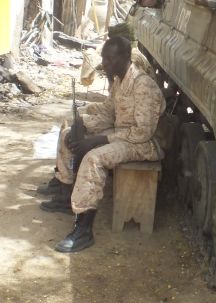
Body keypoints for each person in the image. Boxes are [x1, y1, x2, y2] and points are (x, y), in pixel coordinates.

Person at [39, 36, 165, 253]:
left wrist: (98, 140)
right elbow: (109, 113)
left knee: (93, 158)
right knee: (70, 133)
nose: (104, 64)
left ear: (125, 58)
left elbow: (142, 132)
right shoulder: (119, 80)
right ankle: (65, 193)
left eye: (110, 59)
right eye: (104, 58)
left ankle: (83, 230)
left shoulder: (143, 85)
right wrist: (83, 124)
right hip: (122, 135)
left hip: (140, 144)